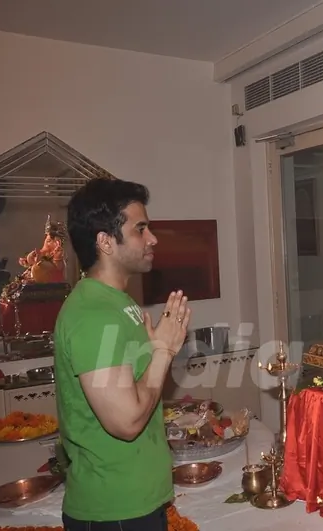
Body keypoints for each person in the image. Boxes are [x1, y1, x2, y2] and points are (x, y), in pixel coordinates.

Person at [54, 177, 192, 531]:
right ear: (105, 242)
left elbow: (137, 385)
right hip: (114, 511)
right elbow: (126, 422)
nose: (153, 239)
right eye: (140, 229)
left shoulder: (119, 303)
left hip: (137, 502)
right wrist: (162, 351)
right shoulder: (94, 315)